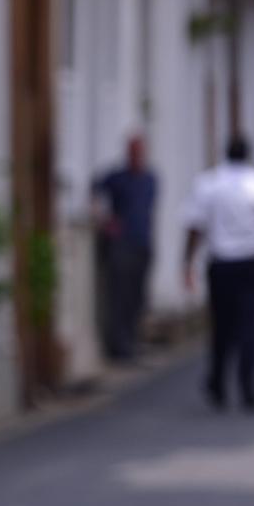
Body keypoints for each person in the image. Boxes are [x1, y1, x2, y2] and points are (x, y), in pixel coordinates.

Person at [182, 135, 254, 411]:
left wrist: (187, 262)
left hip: (222, 262)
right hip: (251, 262)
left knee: (222, 326)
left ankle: (218, 382)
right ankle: (247, 385)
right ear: (248, 155)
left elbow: (195, 227)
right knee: (249, 324)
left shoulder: (210, 184)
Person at [95, 135, 158, 361]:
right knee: (119, 294)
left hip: (142, 243)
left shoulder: (150, 179)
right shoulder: (117, 178)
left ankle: (132, 339)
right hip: (122, 244)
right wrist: (105, 219)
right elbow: (94, 188)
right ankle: (119, 345)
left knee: (136, 295)